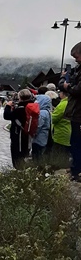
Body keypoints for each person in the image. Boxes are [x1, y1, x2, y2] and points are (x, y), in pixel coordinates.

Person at [61, 42, 81, 180]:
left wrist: (67, 86)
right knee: (75, 143)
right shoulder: (78, 69)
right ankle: (75, 168)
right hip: (76, 113)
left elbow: (78, 91)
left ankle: (77, 171)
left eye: (77, 56)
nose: (75, 60)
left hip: (79, 114)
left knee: (77, 143)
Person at [3, 88, 34, 169]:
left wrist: (8, 106)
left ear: (20, 97)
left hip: (18, 135)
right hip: (28, 134)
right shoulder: (32, 106)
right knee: (25, 153)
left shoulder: (20, 109)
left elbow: (7, 116)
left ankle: (19, 170)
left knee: (17, 154)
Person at [51, 88, 71, 164]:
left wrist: (50, 114)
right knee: (66, 154)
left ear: (63, 94)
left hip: (60, 133)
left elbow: (54, 118)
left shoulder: (63, 104)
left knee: (58, 155)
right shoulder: (71, 103)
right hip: (68, 131)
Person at [31, 94, 51, 161]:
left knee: (36, 156)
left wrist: (33, 133)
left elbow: (38, 125)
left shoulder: (42, 113)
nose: (36, 102)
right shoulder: (47, 111)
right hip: (43, 138)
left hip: (39, 139)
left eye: (37, 100)